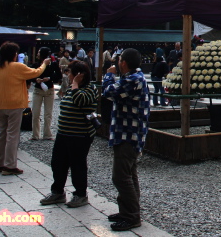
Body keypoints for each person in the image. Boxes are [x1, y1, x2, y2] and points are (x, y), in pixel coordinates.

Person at [102, 48, 150, 231]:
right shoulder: (134, 78)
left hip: (128, 134)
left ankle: (131, 216)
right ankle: (129, 211)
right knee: (130, 175)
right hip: (128, 132)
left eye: (119, 60)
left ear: (123, 63)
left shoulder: (133, 80)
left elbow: (109, 92)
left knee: (121, 177)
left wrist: (108, 76)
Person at [40, 60, 98, 209]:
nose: (68, 75)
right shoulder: (72, 88)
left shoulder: (90, 89)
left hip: (80, 134)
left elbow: (80, 101)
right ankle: (57, 191)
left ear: (79, 75)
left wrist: (75, 85)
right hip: (64, 133)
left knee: (77, 165)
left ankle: (80, 194)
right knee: (58, 163)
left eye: (70, 73)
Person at [0, 42, 50, 175]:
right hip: (15, 104)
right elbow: (36, 72)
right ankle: (10, 165)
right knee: (12, 135)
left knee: (1, 135)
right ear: (13, 54)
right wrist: (44, 64)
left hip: (0, 104)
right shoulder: (16, 66)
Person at [30, 47, 62, 141]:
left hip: (49, 89)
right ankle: (35, 135)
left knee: (48, 114)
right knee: (35, 113)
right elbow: (30, 76)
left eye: (39, 52)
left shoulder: (53, 64)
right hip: (38, 89)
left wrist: (49, 78)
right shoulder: (36, 64)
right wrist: (36, 79)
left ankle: (47, 134)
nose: (38, 53)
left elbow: (59, 75)